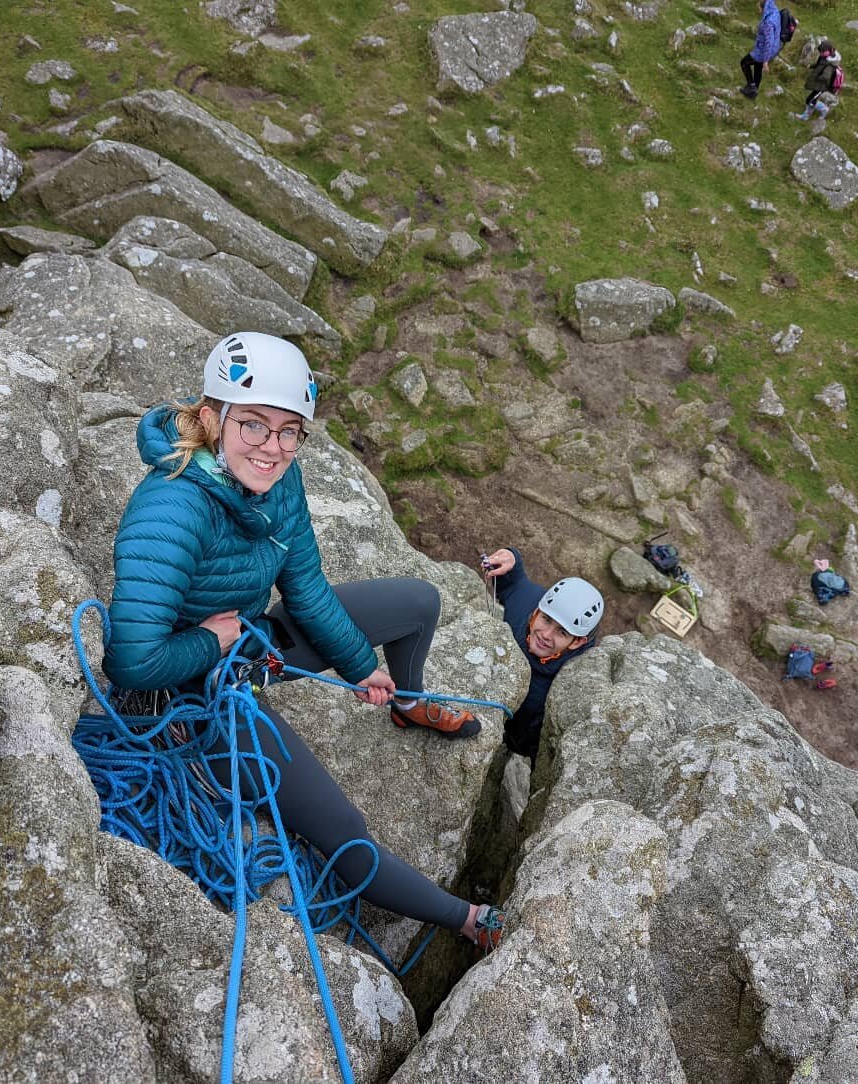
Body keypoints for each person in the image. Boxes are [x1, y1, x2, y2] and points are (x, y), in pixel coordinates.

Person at [103, 331, 502, 951]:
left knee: (419, 603)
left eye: (290, 431)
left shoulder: (277, 478)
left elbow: (307, 587)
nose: (274, 448)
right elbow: (131, 661)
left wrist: (360, 668)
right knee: (343, 832)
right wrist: (212, 642)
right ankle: (469, 921)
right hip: (194, 695)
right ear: (213, 419)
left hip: (247, 644)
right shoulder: (171, 508)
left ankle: (404, 704)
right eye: (255, 426)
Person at [480, 548, 604, 759]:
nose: (546, 634)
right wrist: (512, 558)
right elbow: (514, 582)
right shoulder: (527, 603)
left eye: (562, 632)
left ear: (577, 642)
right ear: (538, 610)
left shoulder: (572, 680)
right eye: (546, 619)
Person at [740, 0, 784, 99]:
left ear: (764, 8)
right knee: (757, 67)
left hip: (764, 50)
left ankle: (751, 86)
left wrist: (765, 61)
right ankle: (754, 91)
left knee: (744, 63)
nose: (758, 11)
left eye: (759, 9)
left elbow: (768, 42)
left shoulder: (768, 23)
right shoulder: (775, 11)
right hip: (774, 47)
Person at [793, 39, 840, 121]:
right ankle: (807, 115)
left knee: (811, 101)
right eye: (820, 51)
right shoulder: (823, 57)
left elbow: (826, 76)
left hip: (822, 87)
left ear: (829, 51)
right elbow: (818, 65)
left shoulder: (831, 64)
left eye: (823, 51)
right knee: (810, 100)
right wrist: (810, 66)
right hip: (817, 85)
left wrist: (818, 77)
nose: (821, 53)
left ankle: (823, 110)